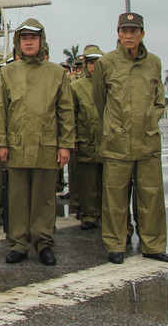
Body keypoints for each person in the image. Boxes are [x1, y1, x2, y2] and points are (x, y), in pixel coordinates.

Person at [93, 13, 168, 265]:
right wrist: (114, 125)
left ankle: (153, 245)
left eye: (134, 31)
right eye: (124, 31)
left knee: (151, 196)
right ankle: (115, 244)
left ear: (142, 34)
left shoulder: (154, 63)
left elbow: (159, 99)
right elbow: (100, 100)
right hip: (116, 142)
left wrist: (148, 121)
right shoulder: (106, 63)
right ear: (117, 33)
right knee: (115, 198)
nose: (129, 35)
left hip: (146, 141)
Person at [0, 19, 74, 266]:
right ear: (18, 42)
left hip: (46, 145)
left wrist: (65, 144)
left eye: (34, 38)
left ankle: (44, 243)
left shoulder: (57, 73)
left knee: (44, 198)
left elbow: (66, 111)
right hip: (16, 145)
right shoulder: (8, 72)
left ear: (42, 42)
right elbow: (1, 110)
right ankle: (18, 243)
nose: (29, 42)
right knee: (17, 198)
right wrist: (1, 142)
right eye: (24, 38)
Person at [71, 45, 104, 230]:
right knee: (88, 182)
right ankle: (90, 215)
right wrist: (73, 138)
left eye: (98, 62)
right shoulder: (76, 86)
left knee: (108, 183)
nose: (94, 66)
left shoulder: (111, 83)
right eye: (91, 62)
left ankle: (108, 215)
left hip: (107, 140)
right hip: (86, 139)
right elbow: (71, 115)